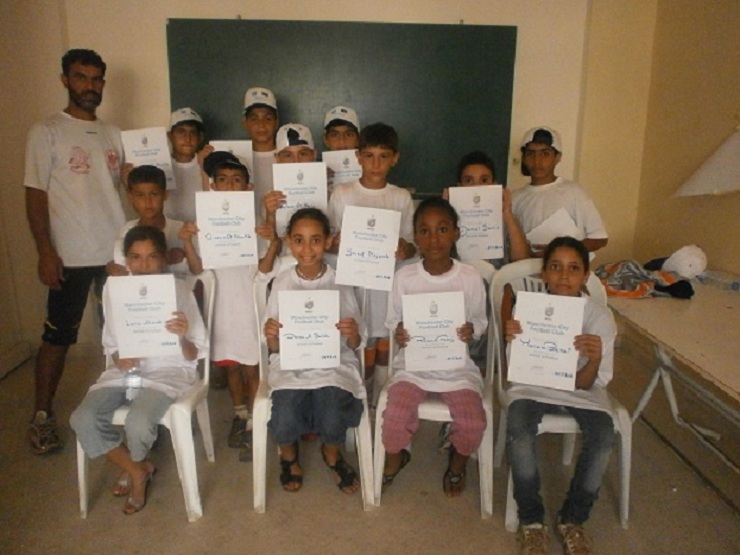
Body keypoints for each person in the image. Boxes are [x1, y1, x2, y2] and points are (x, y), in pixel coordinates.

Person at [25, 48, 126, 454]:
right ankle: (42, 416)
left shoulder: (113, 133)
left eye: (96, 79)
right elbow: (35, 194)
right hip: (70, 255)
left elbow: (126, 185)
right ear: (65, 80)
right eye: (81, 77)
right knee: (57, 336)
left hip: (115, 256)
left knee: (121, 337)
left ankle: (122, 409)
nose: (90, 86)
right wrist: (45, 251)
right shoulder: (46, 131)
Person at [70, 225, 208, 515]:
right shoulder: (115, 291)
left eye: (152, 257)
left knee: (139, 421)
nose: (144, 266)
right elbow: (111, 341)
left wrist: (182, 336)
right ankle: (137, 468)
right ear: (126, 260)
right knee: (83, 417)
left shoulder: (180, 290)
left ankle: (135, 469)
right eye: (135, 257)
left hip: (168, 371)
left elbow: (195, 353)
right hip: (127, 371)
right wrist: (119, 358)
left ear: (164, 259)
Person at [503, 236, 617, 555]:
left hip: (582, 391)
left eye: (573, 268)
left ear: (585, 276)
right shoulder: (529, 309)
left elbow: (588, 383)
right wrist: (513, 337)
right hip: (533, 386)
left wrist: (593, 359)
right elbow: (519, 370)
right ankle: (531, 521)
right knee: (519, 429)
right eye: (555, 267)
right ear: (544, 273)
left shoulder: (599, 317)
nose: (564, 276)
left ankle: (573, 519)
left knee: (603, 434)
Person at [381, 198, 488, 497]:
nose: (434, 239)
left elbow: (481, 320)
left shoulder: (469, 277)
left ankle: (458, 462)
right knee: (394, 417)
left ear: (456, 233)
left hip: (455, 368)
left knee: (473, 421)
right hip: (413, 366)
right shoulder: (405, 277)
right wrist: (400, 332)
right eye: (425, 231)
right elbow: (392, 320)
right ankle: (396, 456)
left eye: (442, 229)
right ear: (415, 236)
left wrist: (471, 329)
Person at [263, 208, 366, 494]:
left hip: (334, 361)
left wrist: (352, 332)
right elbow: (274, 347)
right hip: (291, 361)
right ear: (288, 241)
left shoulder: (340, 281)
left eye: (316, 240)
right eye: (299, 240)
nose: (307, 249)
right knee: (285, 409)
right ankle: (288, 455)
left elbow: (355, 343)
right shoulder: (282, 282)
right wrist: (272, 335)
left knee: (333, 406)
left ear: (328, 241)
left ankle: (331, 452)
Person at [201, 151, 281, 461]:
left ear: (248, 188)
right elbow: (199, 267)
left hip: (249, 308)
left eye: (237, 180)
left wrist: (272, 241)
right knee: (231, 366)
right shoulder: (206, 223)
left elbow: (265, 269)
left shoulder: (256, 225)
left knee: (252, 366)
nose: (230, 186)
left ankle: (255, 420)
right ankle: (240, 413)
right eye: (222, 180)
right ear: (213, 187)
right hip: (221, 309)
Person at [327, 122, 416, 340]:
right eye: (369, 156)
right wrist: (336, 243)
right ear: (358, 157)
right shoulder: (342, 193)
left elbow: (413, 246)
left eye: (384, 156)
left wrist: (405, 249)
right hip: (351, 283)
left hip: (386, 284)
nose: (376, 164)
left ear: (395, 158)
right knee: (356, 336)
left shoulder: (401, 197)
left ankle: (381, 363)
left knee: (383, 338)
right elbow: (329, 243)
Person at [512, 128, 608, 257]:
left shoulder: (574, 192)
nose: (537, 161)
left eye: (545, 154)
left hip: (567, 268)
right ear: (524, 158)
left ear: (557, 157)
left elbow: (600, 238)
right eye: (530, 154)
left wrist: (557, 251)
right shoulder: (514, 198)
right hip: (527, 268)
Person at [107, 165, 201, 278]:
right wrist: (111, 267)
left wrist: (186, 244)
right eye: (140, 195)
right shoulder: (126, 230)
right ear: (131, 197)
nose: (148, 202)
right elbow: (121, 264)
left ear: (165, 195)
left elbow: (198, 270)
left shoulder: (182, 230)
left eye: (154, 194)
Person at [446, 150, 530, 268]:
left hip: (496, 279)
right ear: (459, 186)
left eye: (484, 180)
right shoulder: (449, 220)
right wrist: (444, 214)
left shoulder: (506, 219)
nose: (477, 187)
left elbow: (522, 260)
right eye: (469, 181)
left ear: (494, 185)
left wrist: (508, 215)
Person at [164, 107, 213, 222]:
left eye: (193, 132)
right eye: (181, 132)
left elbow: (214, 202)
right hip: (166, 230)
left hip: (200, 229)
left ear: (200, 138)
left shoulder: (208, 163)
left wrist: (204, 168)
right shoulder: (160, 165)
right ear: (170, 136)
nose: (187, 138)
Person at [242, 87, 279, 213]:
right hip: (242, 225)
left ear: (276, 122)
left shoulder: (290, 157)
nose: (261, 125)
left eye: (268, 118)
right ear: (245, 123)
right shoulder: (236, 159)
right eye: (254, 119)